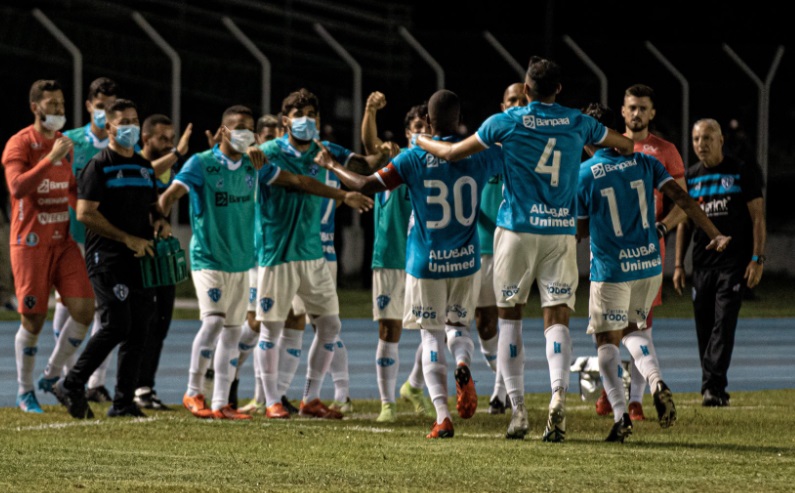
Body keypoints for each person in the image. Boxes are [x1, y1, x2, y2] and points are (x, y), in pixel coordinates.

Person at [415, 56, 634, 441]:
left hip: (516, 231)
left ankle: (517, 411)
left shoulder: (506, 121)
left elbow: (450, 153)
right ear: (559, 89)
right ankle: (558, 395)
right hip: (560, 231)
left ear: (527, 88)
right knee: (557, 319)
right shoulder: (577, 121)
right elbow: (626, 144)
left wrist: (418, 140)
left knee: (510, 320)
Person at [318, 89, 503, 438]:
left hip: (426, 261)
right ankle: (463, 362)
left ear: (428, 122)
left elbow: (365, 184)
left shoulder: (413, 158)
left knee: (431, 335)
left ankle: (443, 416)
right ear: (459, 120)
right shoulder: (480, 154)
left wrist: (332, 166)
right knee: (459, 329)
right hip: (466, 259)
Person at [577, 103, 731, 441]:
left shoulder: (585, 173)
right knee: (635, 330)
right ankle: (656, 381)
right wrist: (715, 233)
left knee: (606, 342)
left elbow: (579, 228)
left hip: (612, 269)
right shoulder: (645, 162)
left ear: (589, 136)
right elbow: (684, 200)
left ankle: (621, 416)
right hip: (648, 264)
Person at [254, 88, 373, 420]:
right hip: (278, 254)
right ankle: (272, 400)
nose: (305, 121)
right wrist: (344, 195)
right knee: (271, 329)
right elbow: (300, 182)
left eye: (311, 115)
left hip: (313, 254)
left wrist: (377, 133)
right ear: (285, 121)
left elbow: (365, 165)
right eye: (298, 115)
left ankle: (310, 398)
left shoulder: (324, 150)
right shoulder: (268, 152)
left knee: (330, 325)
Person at [52, 98, 170, 419]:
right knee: (117, 324)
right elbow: (85, 213)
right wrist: (126, 238)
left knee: (140, 327)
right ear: (110, 127)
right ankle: (71, 383)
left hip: (140, 257)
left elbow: (152, 207)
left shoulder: (144, 166)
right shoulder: (99, 165)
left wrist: (161, 221)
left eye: (135, 120)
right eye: (124, 122)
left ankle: (123, 403)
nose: (131, 126)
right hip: (106, 257)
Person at [1, 79, 96, 413]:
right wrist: (48, 159)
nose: (58, 109)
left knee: (85, 309)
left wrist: (88, 209)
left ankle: (52, 373)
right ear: (35, 107)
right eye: (52, 104)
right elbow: (17, 187)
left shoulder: (64, 144)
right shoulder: (19, 144)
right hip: (30, 244)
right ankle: (24, 392)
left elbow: (69, 188)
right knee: (33, 320)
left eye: (61, 104)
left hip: (63, 241)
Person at [594, 83, 687, 420]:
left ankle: (633, 400)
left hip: (646, 249)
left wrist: (662, 227)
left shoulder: (665, 151)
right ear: (622, 111)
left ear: (652, 113)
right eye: (631, 107)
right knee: (617, 326)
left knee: (635, 324)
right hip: (614, 248)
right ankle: (615, 392)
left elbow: (682, 201)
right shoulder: (611, 145)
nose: (636, 113)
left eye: (642, 108)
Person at [673, 118, 766, 407]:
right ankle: (714, 387)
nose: (701, 144)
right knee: (705, 327)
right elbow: (684, 223)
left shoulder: (741, 171)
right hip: (702, 265)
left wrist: (757, 259)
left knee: (723, 324)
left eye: (707, 138)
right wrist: (678, 265)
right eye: (696, 139)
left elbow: (758, 218)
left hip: (733, 264)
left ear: (721, 140)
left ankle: (712, 387)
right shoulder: (690, 176)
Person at [361, 91, 434, 423]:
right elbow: (369, 145)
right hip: (391, 256)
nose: (425, 132)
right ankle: (387, 403)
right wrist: (370, 111)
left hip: (426, 257)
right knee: (390, 331)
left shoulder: (441, 164)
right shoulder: (396, 159)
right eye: (419, 127)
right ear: (407, 133)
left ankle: (414, 386)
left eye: (429, 127)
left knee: (435, 328)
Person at [58, 77, 118, 402]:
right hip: (72, 236)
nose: (105, 113)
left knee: (105, 310)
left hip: (107, 239)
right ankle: (68, 376)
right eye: (100, 106)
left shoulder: (122, 145)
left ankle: (96, 381)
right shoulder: (69, 142)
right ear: (88, 106)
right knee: (67, 305)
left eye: (111, 107)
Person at [133, 113, 192, 410]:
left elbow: (161, 201)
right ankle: (121, 385)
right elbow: (145, 174)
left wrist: (161, 219)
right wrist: (178, 152)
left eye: (172, 139)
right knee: (134, 323)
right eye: (162, 138)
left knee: (161, 322)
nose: (169, 143)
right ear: (146, 139)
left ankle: (144, 387)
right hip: (133, 251)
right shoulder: (133, 161)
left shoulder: (170, 166)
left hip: (158, 251)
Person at [480, 82, 528, 415]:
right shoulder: (483, 146)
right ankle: (504, 379)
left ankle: (502, 392)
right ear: (502, 106)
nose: (517, 106)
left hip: (513, 243)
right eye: (511, 100)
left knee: (509, 318)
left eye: (522, 101)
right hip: (479, 245)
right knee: (484, 324)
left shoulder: (531, 149)